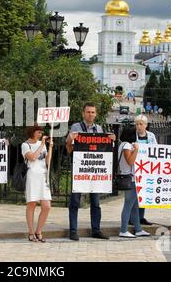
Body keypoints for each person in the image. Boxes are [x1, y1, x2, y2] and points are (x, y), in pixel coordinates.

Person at [66, 103, 116, 241]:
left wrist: (112, 141)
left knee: (95, 202)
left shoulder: (99, 128)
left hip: (95, 171)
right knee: (75, 201)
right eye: (88, 112)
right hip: (80, 169)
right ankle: (73, 230)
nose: (90, 114)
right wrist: (70, 139)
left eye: (93, 112)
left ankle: (96, 229)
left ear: (96, 114)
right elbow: (69, 148)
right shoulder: (76, 127)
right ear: (83, 113)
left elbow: (104, 150)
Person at [118, 125, 151, 238]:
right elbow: (130, 161)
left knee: (135, 205)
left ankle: (138, 229)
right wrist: (136, 149)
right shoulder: (127, 145)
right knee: (128, 204)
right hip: (130, 179)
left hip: (132, 178)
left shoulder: (123, 144)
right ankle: (123, 230)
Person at [22, 123, 53, 242]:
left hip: (43, 176)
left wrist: (49, 148)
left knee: (47, 206)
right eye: (38, 132)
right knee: (32, 204)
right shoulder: (25, 145)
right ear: (32, 132)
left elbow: (47, 161)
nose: (41, 134)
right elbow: (32, 158)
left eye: (41, 132)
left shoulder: (42, 145)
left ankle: (38, 230)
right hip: (32, 176)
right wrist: (42, 145)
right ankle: (31, 232)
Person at [129, 115, 157, 226]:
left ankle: (141, 217)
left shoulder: (151, 136)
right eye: (137, 124)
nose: (139, 126)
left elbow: (156, 150)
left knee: (143, 195)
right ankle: (132, 218)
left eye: (141, 124)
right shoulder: (132, 136)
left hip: (147, 170)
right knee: (133, 196)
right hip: (135, 169)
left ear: (146, 125)